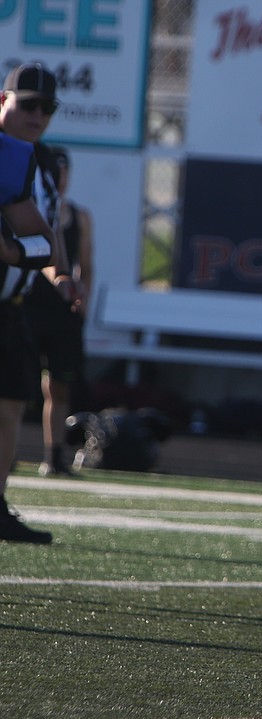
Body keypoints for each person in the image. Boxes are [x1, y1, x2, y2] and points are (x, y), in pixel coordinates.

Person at [0, 64, 69, 544]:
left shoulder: (27, 161)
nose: (37, 115)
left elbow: (40, 236)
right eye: (27, 104)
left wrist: (54, 270)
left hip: (10, 302)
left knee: (9, 404)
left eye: (46, 108)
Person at [24, 145, 92, 476]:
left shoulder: (77, 216)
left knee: (58, 385)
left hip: (61, 310)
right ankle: (9, 455)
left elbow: (85, 264)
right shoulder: (22, 209)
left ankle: (54, 455)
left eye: (63, 173)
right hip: (28, 304)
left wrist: (81, 300)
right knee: (17, 384)